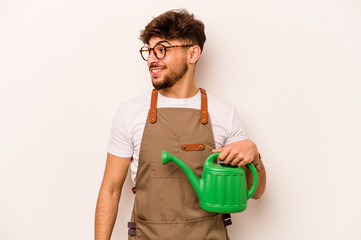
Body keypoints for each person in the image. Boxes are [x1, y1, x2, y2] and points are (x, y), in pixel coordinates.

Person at [95, 9, 266, 240]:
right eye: (149, 51)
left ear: (193, 53)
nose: (152, 59)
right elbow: (111, 190)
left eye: (162, 50)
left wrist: (254, 157)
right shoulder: (130, 113)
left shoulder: (224, 114)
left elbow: (255, 192)